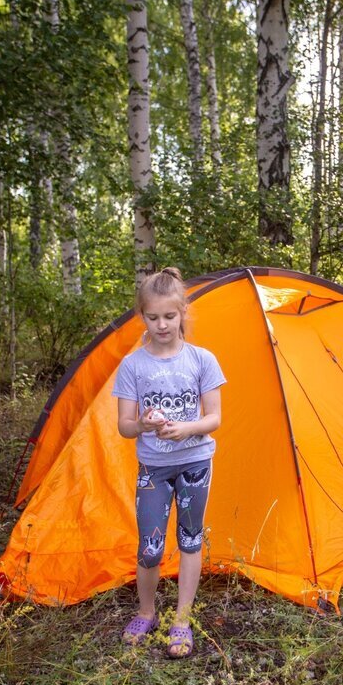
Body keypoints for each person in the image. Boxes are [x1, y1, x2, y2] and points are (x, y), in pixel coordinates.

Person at [113, 268, 225, 658]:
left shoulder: (202, 360)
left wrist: (186, 428)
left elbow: (214, 419)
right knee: (150, 545)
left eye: (170, 316)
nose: (162, 325)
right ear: (142, 316)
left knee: (190, 541)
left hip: (195, 462)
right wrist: (142, 423)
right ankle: (147, 611)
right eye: (153, 317)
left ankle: (182, 618)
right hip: (154, 470)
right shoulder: (133, 366)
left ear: (182, 314)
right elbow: (125, 427)